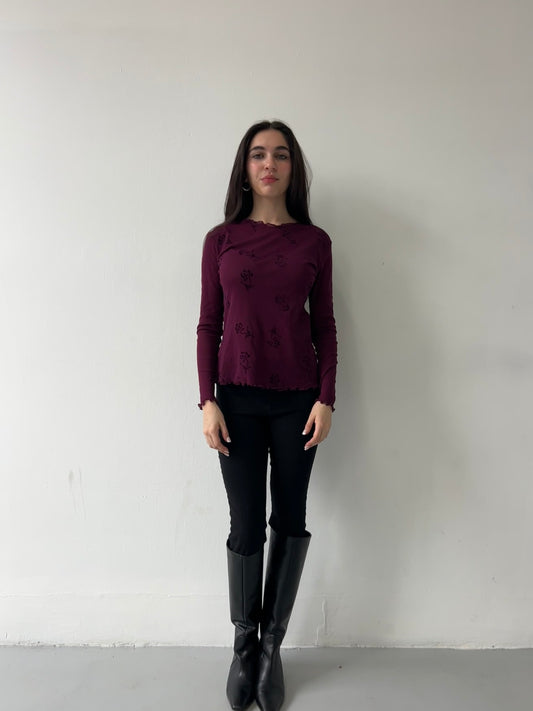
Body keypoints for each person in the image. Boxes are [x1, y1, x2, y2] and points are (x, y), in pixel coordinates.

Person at [196, 120, 337, 711]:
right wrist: (206, 399)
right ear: (245, 168)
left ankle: (273, 646)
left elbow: (324, 325)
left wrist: (326, 398)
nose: (269, 164)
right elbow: (208, 324)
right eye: (258, 154)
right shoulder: (221, 240)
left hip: (298, 401)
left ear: (292, 168)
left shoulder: (314, 242)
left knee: (291, 517)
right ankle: (244, 646)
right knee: (246, 522)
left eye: (280, 154)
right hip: (235, 400)